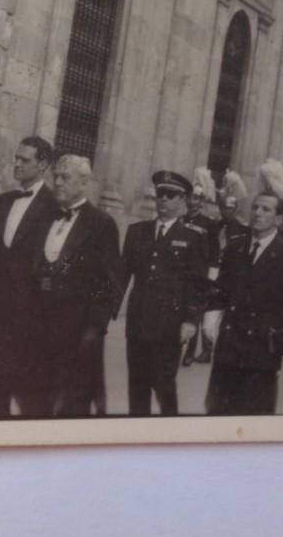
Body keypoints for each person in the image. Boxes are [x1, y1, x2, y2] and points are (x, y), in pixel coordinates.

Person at [204, 191, 283, 415]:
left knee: (255, 416)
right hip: (228, 348)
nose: (257, 213)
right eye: (255, 207)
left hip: (262, 351)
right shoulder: (236, 247)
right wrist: (211, 318)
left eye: (266, 209)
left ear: (279, 219)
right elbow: (221, 289)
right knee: (217, 412)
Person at [32, 155, 122, 416]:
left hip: (77, 328)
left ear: (84, 183)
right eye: (56, 177)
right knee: (38, 399)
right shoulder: (45, 217)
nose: (58, 182)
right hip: (40, 324)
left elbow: (109, 281)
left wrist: (95, 328)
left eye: (66, 177)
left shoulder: (101, 224)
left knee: (72, 403)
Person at [121, 171, 208, 415]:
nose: (163, 199)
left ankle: (169, 430)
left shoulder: (193, 237)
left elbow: (196, 283)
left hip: (169, 325)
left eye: (171, 195)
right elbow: (121, 275)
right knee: (137, 384)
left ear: (183, 201)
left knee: (164, 385)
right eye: (160, 194)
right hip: (138, 321)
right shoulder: (137, 231)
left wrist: (191, 320)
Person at [0, 136, 59, 416]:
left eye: (24, 159)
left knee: (30, 391)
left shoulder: (53, 206)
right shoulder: (5, 201)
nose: (16, 164)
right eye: (16, 158)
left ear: (43, 165)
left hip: (31, 314)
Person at [181, 167, 219, 365]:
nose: (192, 201)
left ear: (202, 201)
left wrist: (210, 278)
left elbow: (214, 253)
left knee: (194, 313)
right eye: (190, 197)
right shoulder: (180, 220)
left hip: (198, 275)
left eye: (196, 198)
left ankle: (189, 353)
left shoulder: (209, 224)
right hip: (181, 273)